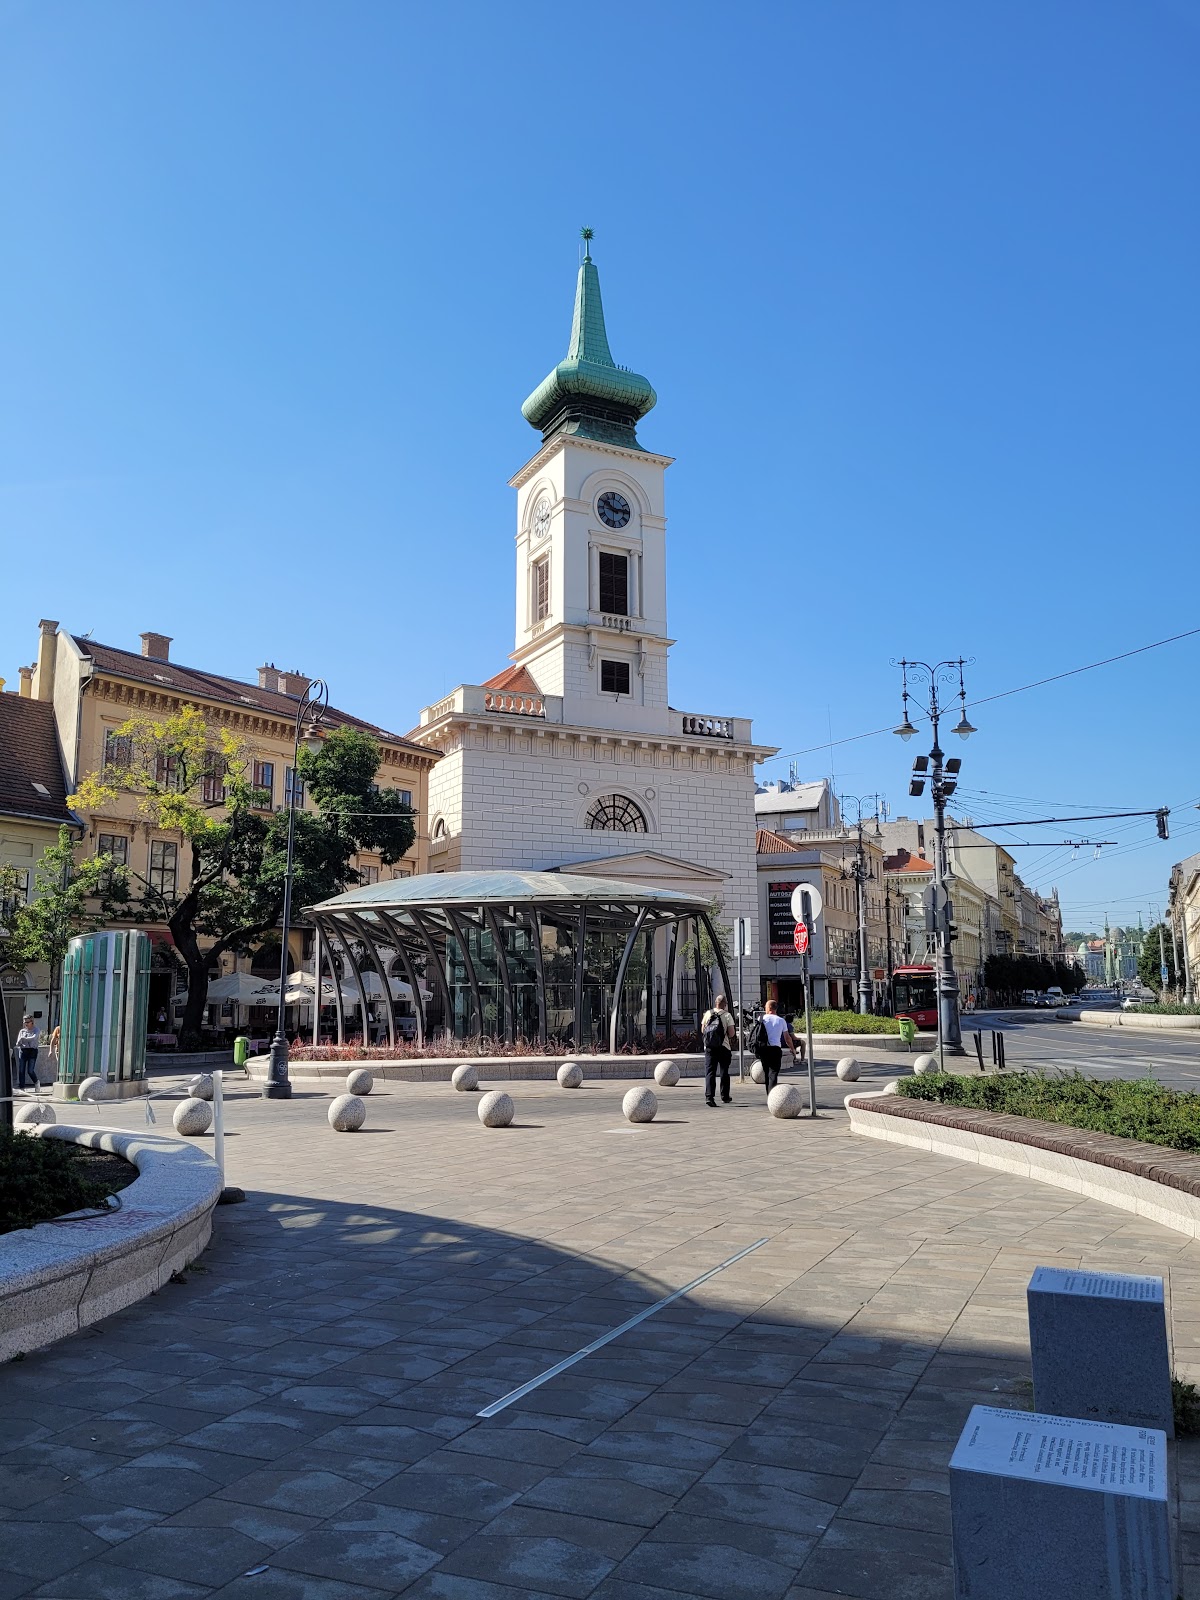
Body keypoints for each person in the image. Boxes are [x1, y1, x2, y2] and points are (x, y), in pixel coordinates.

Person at [701, 993, 736, 1107]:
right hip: (723, 1047)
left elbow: (703, 1030)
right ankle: (725, 1096)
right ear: (725, 1004)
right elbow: (731, 1033)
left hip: (709, 1047)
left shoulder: (708, 1013)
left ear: (716, 1003)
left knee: (710, 1072)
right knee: (724, 1072)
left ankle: (709, 1097)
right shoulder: (727, 1015)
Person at [756, 999, 796, 1094]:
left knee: (766, 1072)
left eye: (765, 1007)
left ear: (769, 1008)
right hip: (775, 1049)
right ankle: (772, 1095)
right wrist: (792, 1049)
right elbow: (787, 1038)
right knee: (773, 1072)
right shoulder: (781, 1020)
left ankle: (769, 1093)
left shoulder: (761, 1019)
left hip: (764, 1049)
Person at [14, 1015, 40, 1091]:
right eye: (24, 1022)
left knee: (30, 1071)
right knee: (21, 1070)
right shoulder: (22, 1031)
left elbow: (33, 1038)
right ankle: (22, 1087)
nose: (26, 1024)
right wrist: (20, 1041)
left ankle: (36, 1082)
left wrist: (23, 1039)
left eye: (27, 1022)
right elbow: (18, 1043)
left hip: (32, 1051)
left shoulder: (36, 1030)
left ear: (32, 1022)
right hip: (23, 1051)